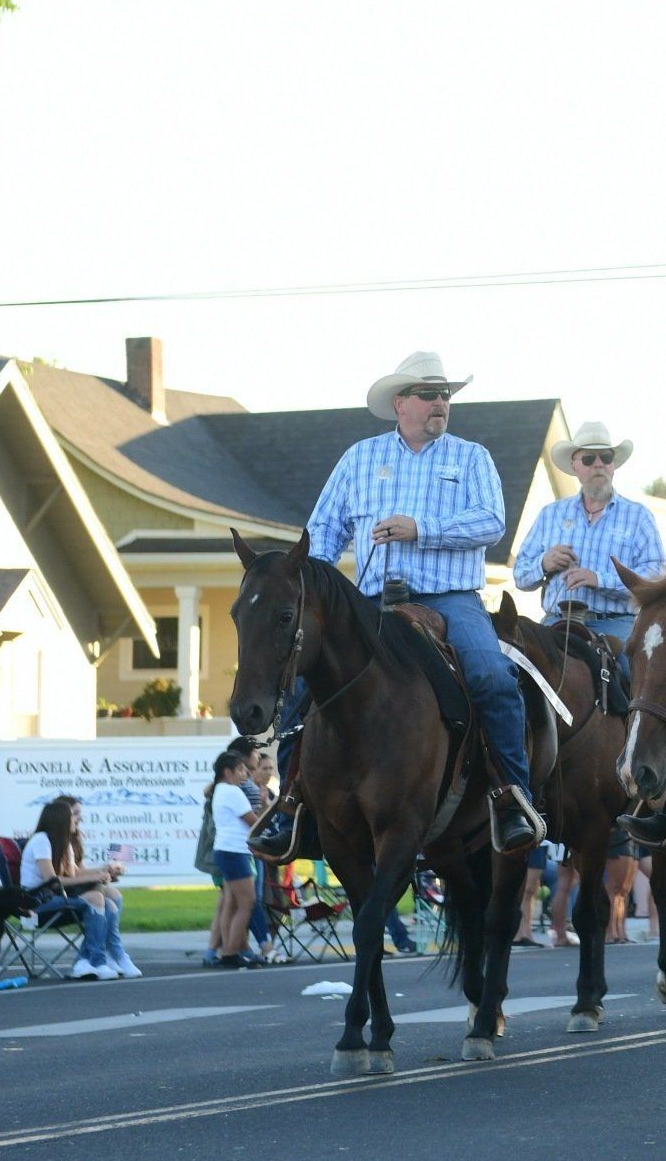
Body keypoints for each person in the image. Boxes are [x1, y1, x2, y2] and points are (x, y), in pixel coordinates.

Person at [258, 350, 545, 859]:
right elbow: (323, 528)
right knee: (305, 683)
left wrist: (422, 529)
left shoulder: (471, 457)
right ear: (400, 403)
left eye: (445, 394)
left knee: (492, 679)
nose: (441, 403)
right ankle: (291, 806)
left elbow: (492, 523)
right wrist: (312, 584)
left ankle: (510, 798)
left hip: (450, 598)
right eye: (429, 394)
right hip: (370, 603)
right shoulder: (359, 458)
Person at [512, 419, 666, 657]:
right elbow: (521, 575)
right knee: (523, 669)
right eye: (588, 459)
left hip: (615, 624)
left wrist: (599, 579)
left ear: (613, 465)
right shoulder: (550, 514)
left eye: (605, 458)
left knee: (629, 673)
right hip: (557, 621)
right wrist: (544, 563)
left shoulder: (638, 516)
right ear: (575, 466)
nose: (598, 465)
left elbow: (657, 576)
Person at [20, 796, 135, 980]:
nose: (77, 820)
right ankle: (98, 960)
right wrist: (97, 876)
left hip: (57, 898)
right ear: (61, 820)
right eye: (73, 816)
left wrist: (105, 870)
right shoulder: (41, 841)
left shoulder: (64, 843)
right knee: (97, 898)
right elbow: (52, 881)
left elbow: (74, 874)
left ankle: (95, 959)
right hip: (36, 904)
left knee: (111, 901)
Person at [207, 745, 260, 967]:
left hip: (225, 851)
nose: (245, 773)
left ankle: (229, 949)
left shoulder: (219, 790)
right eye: (239, 769)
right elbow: (253, 822)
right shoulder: (233, 791)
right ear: (227, 773)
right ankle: (230, 952)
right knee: (247, 902)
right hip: (235, 852)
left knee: (231, 902)